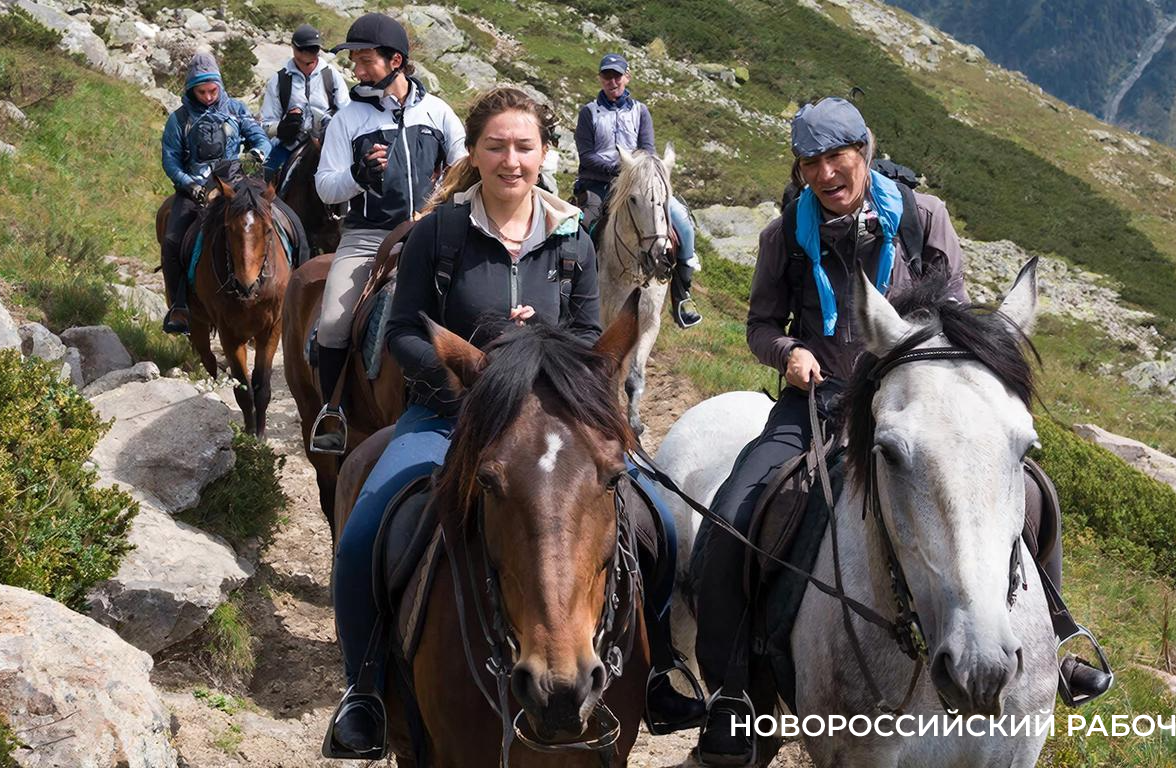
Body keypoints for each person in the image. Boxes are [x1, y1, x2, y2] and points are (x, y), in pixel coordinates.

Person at [690, 97, 1110, 765]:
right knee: (736, 514)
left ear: (864, 151)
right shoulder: (782, 237)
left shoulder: (924, 217)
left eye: (837, 157)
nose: (825, 174)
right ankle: (735, 697)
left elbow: (956, 310)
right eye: (810, 163)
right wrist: (787, 353)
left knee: (1033, 493)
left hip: (919, 400)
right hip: (821, 401)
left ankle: (1056, 640)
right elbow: (760, 326)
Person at [325, 86, 703, 759]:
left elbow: (587, 340)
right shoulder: (438, 234)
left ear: (545, 154)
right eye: (496, 146)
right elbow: (402, 331)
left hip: (553, 423)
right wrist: (478, 369)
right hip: (449, 415)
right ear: (473, 152)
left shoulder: (572, 238)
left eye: (524, 147)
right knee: (363, 534)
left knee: (659, 524)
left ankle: (660, 669)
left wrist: (541, 355)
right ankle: (365, 691)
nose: (511, 159)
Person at [310, 12, 467, 453]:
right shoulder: (347, 119)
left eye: (365, 61)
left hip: (431, 231)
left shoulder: (438, 112)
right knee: (334, 323)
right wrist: (358, 176)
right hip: (367, 238)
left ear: (395, 61)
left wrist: (442, 197)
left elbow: (463, 166)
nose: (357, 70)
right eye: (355, 62)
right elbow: (325, 187)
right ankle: (332, 412)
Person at [574, 52, 702, 328]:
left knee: (682, 223)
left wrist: (636, 172)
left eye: (617, 76)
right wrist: (618, 169)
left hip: (638, 183)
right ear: (600, 79)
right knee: (582, 225)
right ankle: (574, 290)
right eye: (607, 76)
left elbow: (648, 149)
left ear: (627, 77)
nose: (612, 81)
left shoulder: (640, 111)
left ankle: (682, 295)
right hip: (599, 183)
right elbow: (586, 155)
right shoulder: (589, 112)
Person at [159, 50, 271, 333]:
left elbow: (260, 138)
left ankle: (288, 285)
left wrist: (257, 153)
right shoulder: (179, 119)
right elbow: (170, 159)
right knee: (172, 240)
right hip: (193, 188)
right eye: (202, 92)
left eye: (213, 90)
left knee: (285, 220)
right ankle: (179, 306)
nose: (208, 97)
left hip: (234, 183)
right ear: (191, 90)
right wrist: (189, 183)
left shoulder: (236, 109)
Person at [259, 24, 351, 178]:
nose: (309, 53)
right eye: (304, 49)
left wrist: (330, 125)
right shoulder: (279, 80)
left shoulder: (331, 75)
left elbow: (346, 112)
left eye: (313, 49)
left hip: (328, 143)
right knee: (265, 177)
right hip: (289, 145)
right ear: (294, 49)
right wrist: (282, 127)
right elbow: (265, 124)